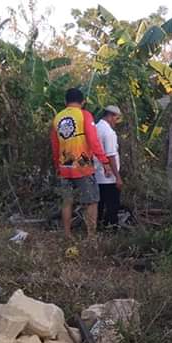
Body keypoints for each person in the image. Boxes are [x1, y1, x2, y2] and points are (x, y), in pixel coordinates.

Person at [50, 88, 110, 239]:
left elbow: (55, 145)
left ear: (66, 102)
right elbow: (93, 141)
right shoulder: (85, 115)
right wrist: (104, 161)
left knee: (67, 201)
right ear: (83, 102)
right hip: (82, 165)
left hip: (65, 166)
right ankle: (91, 236)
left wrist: (58, 166)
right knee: (92, 201)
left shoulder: (58, 117)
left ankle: (67, 234)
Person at [95, 105, 123, 229]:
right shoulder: (109, 133)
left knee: (99, 203)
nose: (116, 122)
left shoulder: (96, 128)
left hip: (96, 173)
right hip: (108, 176)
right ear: (110, 116)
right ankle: (111, 227)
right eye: (116, 119)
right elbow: (110, 155)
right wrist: (117, 177)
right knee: (112, 204)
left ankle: (98, 226)